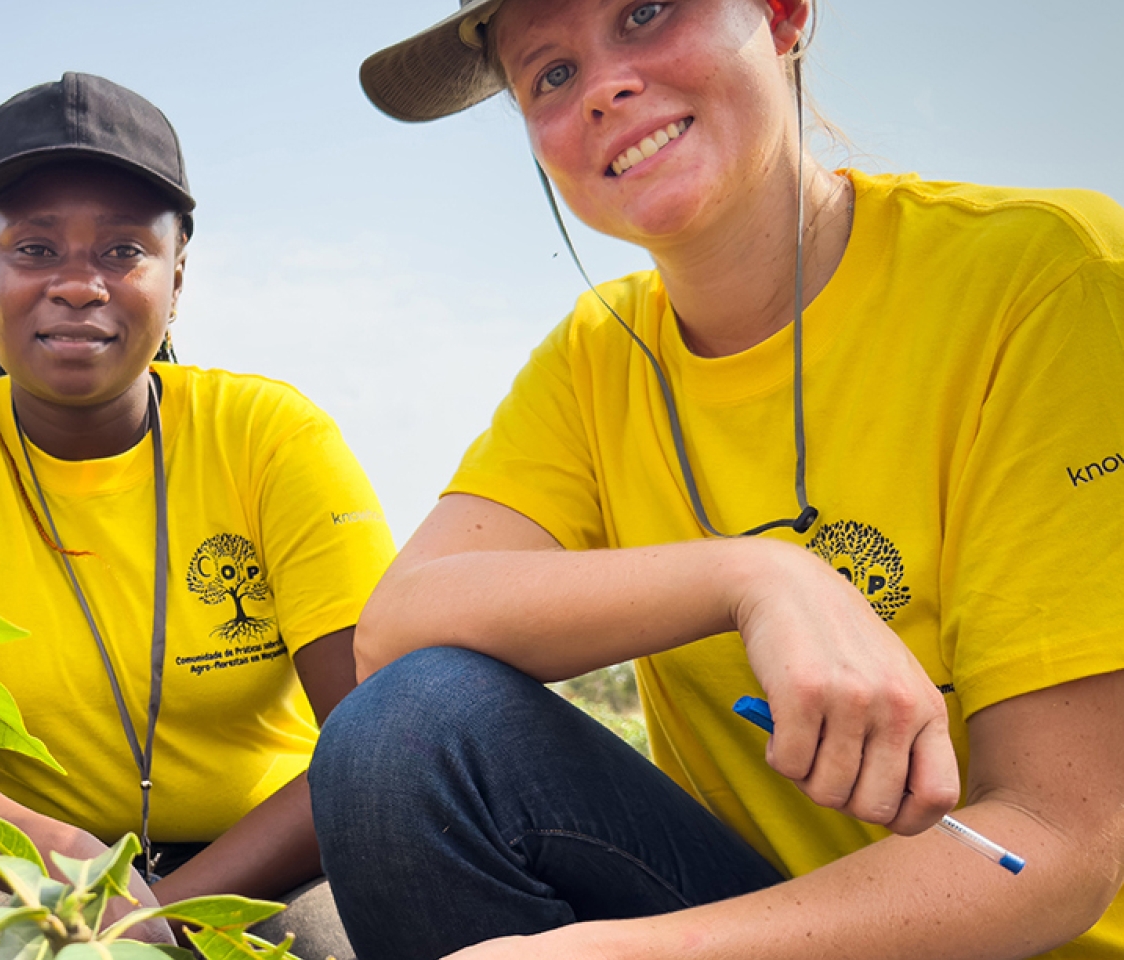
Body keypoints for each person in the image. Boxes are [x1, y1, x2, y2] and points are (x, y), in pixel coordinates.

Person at [311, 1, 1124, 959]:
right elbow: (397, 627)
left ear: (781, 15)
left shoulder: (1044, 278)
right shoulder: (598, 355)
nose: (605, 87)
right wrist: (757, 575)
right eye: (551, 74)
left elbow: (1061, 842)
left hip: (1006, 934)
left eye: (646, 12)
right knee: (407, 728)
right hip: (747, 903)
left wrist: (605, 954)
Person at [0, 73, 394, 958]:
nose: (78, 285)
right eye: (35, 248)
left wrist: (151, 917)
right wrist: (70, 864)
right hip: (19, 862)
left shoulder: (272, 437)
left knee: (332, 938)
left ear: (178, 279)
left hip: (264, 858)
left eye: (124, 250)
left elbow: (376, 746)